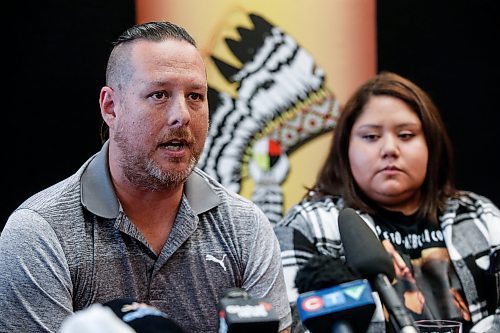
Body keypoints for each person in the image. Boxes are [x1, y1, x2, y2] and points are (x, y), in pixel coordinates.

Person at [0, 21, 292, 333]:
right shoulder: (40, 232)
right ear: (111, 108)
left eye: (196, 96)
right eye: (159, 95)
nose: (182, 115)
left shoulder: (244, 225)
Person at [274, 71, 500, 333]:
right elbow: (291, 323)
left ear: (431, 144)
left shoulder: (481, 216)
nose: (390, 149)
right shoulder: (307, 226)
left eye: (406, 135)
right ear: (345, 148)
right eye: (370, 137)